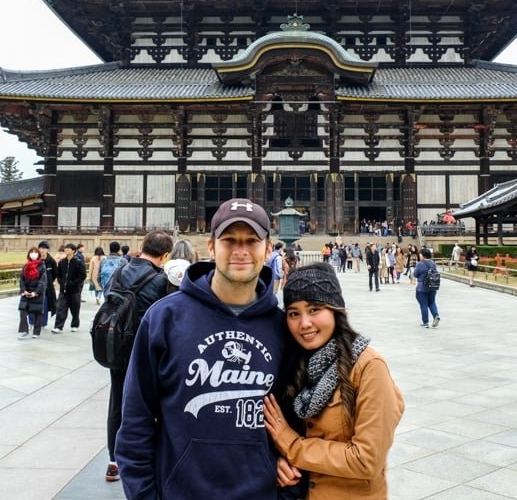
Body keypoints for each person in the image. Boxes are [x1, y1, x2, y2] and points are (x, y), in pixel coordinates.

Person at [115, 198, 287, 499]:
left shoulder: (282, 328)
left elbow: (300, 423)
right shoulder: (164, 319)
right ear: (211, 246)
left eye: (251, 241)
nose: (240, 250)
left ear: (268, 249)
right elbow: (134, 423)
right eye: (229, 240)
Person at [263, 263, 405, 499]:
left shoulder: (367, 367)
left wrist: (292, 446)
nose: (304, 323)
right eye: (294, 313)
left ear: (336, 310)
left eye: (315, 309)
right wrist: (277, 461)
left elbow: (366, 459)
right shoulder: (294, 363)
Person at [104, 230, 173, 483]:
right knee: (149, 406)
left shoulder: (120, 271)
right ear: (165, 255)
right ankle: (145, 459)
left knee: (117, 403)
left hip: (116, 347)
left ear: (142, 247)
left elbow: (108, 299)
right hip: (145, 352)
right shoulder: (159, 279)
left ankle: (113, 461)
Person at [52, 243, 86, 333]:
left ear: (73, 251)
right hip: (63, 290)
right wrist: (61, 282)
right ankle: (58, 326)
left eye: (68, 249)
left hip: (74, 291)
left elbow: (82, 276)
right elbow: (58, 274)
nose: (66, 250)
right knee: (61, 308)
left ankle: (75, 324)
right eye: (65, 249)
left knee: (75, 309)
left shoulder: (78, 262)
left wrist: (73, 283)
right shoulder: (62, 262)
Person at [18, 246, 46, 339]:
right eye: (31, 252)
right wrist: (24, 290)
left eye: (35, 252)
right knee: (22, 311)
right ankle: (24, 330)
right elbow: (21, 279)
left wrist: (36, 292)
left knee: (37, 312)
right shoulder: (26, 266)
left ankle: (36, 332)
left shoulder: (42, 266)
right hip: (26, 292)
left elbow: (42, 281)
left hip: (37, 293)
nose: (33, 254)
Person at [412, 248, 441, 329]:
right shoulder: (433, 263)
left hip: (422, 287)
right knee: (432, 302)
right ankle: (436, 315)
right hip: (433, 286)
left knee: (423, 304)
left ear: (423, 255)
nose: (419, 255)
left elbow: (415, 274)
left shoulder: (420, 264)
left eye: (420, 254)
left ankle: (425, 322)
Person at [35, 241, 57, 331]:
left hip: (47, 288)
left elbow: (55, 273)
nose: (42, 250)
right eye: (40, 248)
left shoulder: (51, 261)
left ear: (47, 250)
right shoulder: (35, 260)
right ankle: (33, 322)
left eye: (44, 249)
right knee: (35, 305)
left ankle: (43, 323)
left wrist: (49, 282)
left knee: (45, 306)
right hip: (36, 287)